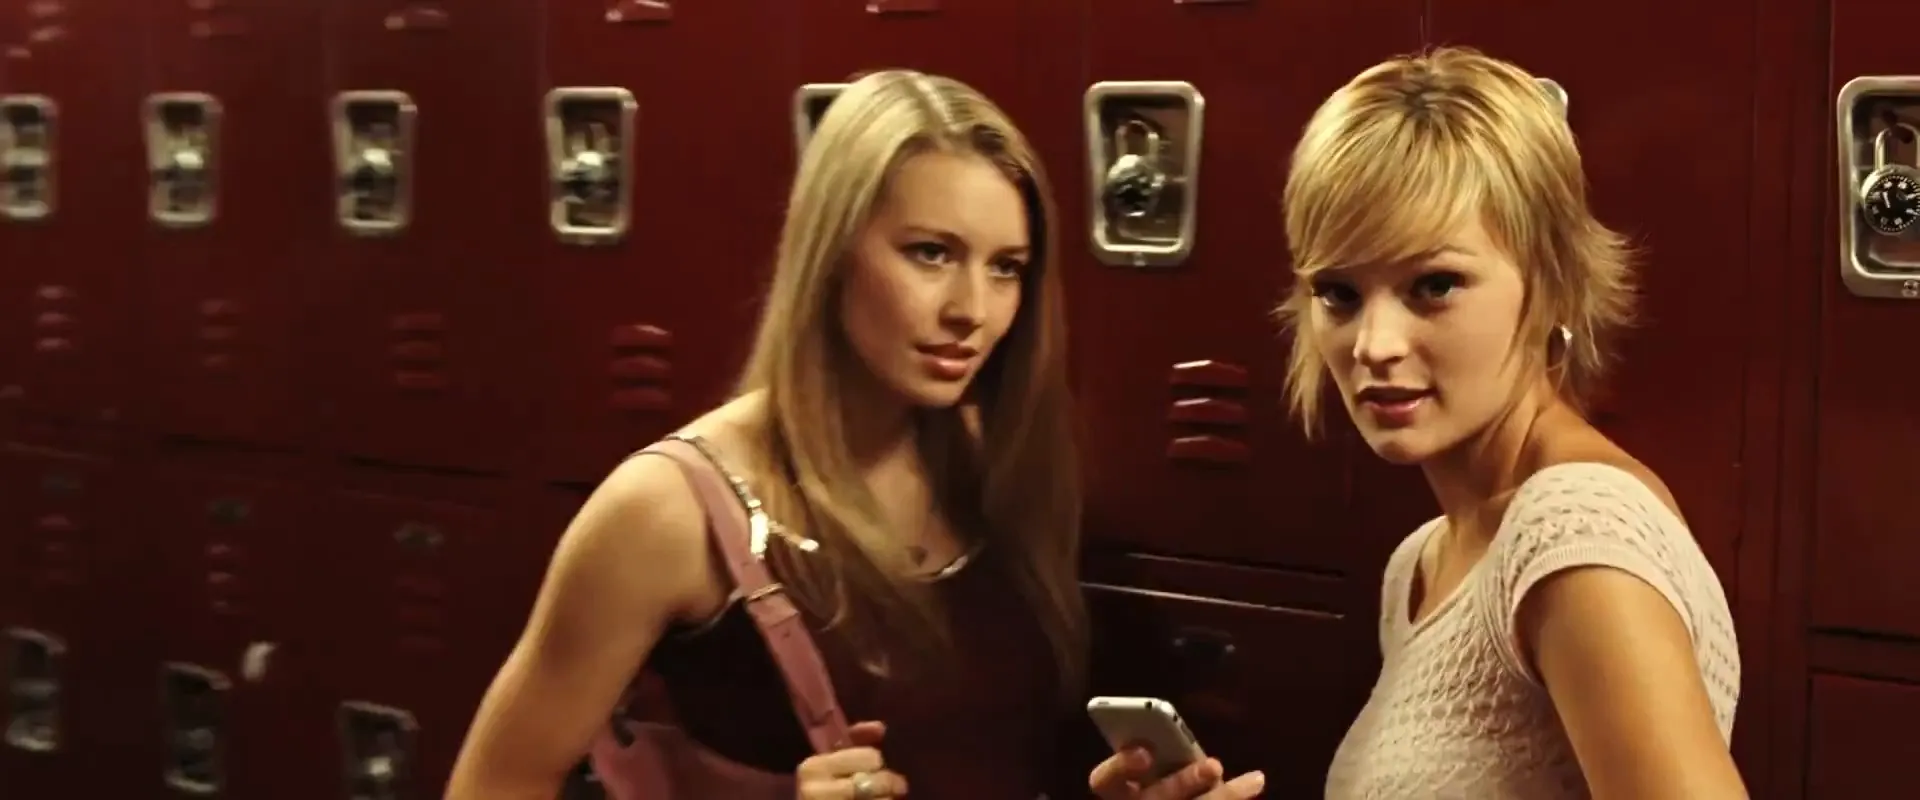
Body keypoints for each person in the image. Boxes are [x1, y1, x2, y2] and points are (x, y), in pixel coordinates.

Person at [444, 69, 1250, 800]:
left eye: (1006, 267)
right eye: (930, 253)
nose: (972, 309)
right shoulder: (666, 510)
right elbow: (493, 784)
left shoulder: (1002, 470)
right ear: (830, 251)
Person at [1273, 48, 1748, 799]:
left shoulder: (1576, 534)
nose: (1374, 345)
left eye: (1434, 285)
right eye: (1339, 294)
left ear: (1553, 284)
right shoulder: (1422, 563)